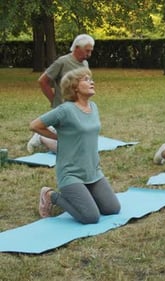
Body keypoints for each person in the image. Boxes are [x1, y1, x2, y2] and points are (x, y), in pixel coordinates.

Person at [30, 67, 120, 224]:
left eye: (91, 79)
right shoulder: (65, 110)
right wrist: (58, 137)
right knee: (90, 217)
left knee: (112, 208)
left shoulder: (94, 107)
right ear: (74, 87)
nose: (91, 82)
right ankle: (51, 195)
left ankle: (84, 195)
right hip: (71, 173)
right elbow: (35, 125)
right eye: (86, 79)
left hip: (93, 171)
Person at [27, 34, 95, 153]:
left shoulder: (85, 64)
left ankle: (48, 135)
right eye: (87, 51)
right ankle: (41, 137)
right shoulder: (62, 62)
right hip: (63, 107)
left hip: (78, 107)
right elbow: (43, 81)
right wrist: (53, 100)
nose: (89, 54)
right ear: (77, 48)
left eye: (90, 51)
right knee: (66, 148)